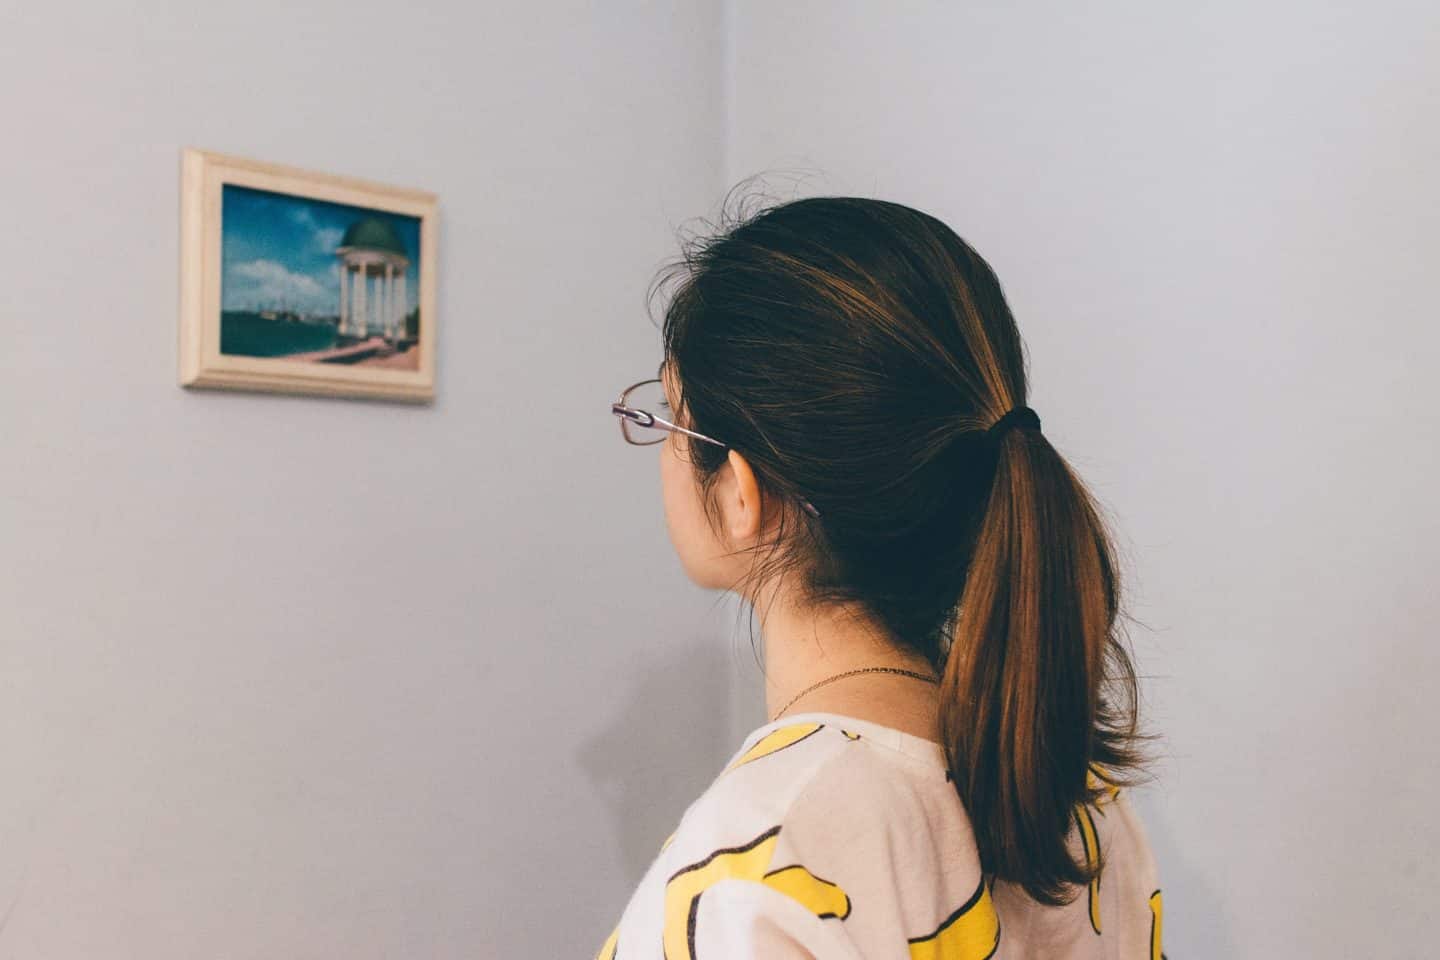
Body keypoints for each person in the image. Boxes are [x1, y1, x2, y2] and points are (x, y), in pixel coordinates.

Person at [598, 192, 1165, 959]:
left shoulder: (759, 859)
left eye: (666, 415)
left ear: (741, 489)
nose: (657, 444)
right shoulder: (1080, 807)